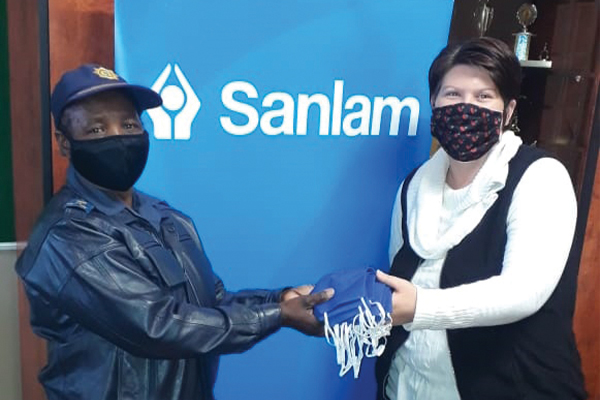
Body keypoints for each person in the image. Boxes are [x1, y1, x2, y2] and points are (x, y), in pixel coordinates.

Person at [15, 64, 333, 400]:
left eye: (129, 124)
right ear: (64, 143)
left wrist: (280, 299)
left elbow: (211, 303)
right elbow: (158, 326)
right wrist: (278, 316)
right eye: (96, 129)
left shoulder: (167, 217)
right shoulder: (68, 235)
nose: (119, 138)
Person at [374, 37, 586, 399]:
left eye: (484, 97)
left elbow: (522, 292)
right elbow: (400, 277)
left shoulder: (540, 177)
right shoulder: (413, 187)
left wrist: (421, 307)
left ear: (508, 111)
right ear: (434, 103)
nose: (466, 108)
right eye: (452, 94)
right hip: (409, 386)